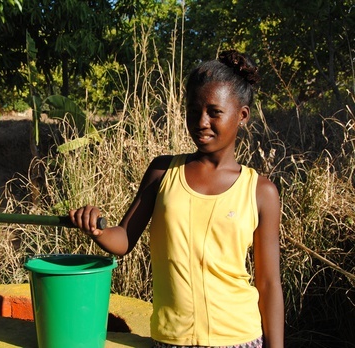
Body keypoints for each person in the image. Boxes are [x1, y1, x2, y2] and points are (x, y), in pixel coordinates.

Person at [69, 50, 285, 348]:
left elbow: (269, 283)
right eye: (193, 111)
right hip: (171, 339)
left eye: (214, 112)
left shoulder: (260, 191)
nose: (201, 122)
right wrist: (97, 228)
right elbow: (123, 240)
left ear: (242, 115)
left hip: (239, 338)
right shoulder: (163, 172)